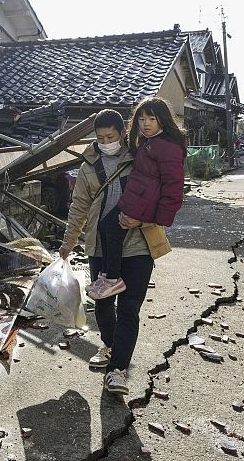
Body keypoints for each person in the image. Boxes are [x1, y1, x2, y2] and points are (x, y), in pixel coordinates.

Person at [58, 100, 178, 396]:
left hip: (139, 246)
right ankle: (112, 346)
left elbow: (165, 188)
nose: (106, 143)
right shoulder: (88, 166)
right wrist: (68, 242)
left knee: (128, 310)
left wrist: (145, 217)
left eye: (111, 137)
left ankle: (118, 371)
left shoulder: (142, 155)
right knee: (102, 306)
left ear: (123, 133)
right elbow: (79, 207)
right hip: (100, 246)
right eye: (100, 139)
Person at [86, 97, 187, 300]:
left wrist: (159, 218)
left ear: (163, 120)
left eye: (151, 118)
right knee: (106, 227)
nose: (146, 123)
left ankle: (113, 279)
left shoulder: (167, 147)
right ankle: (107, 276)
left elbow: (174, 187)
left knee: (112, 231)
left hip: (143, 205)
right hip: (135, 199)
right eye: (141, 119)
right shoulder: (149, 142)